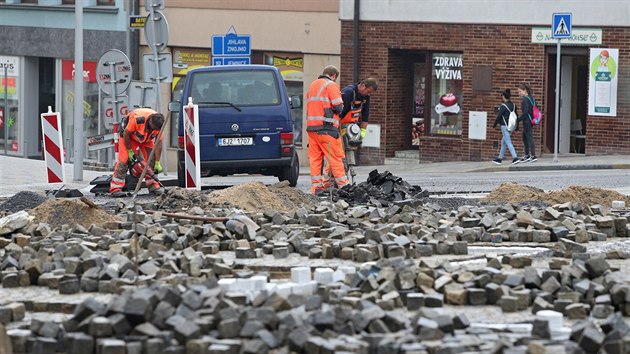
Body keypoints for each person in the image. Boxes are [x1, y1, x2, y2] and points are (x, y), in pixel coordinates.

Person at [322, 78, 378, 183]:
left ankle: (342, 179)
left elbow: (365, 115)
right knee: (338, 154)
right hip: (339, 125)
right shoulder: (348, 93)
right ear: (363, 86)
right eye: (368, 91)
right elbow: (339, 112)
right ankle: (330, 181)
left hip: (351, 126)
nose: (368, 94)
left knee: (349, 150)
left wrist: (362, 132)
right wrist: (334, 129)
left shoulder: (365, 97)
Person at [305, 65, 349, 195]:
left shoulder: (313, 85)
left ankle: (317, 188)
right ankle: (344, 186)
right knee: (336, 157)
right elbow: (338, 107)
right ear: (334, 76)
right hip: (327, 129)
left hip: (312, 129)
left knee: (315, 159)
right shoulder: (331, 85)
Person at [110, 108, 165, 197]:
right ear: (150, 122)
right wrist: (130, 151)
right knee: (123, 160)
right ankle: (115, 188)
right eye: (152, 128)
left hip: (146, 139)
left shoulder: (160, 125)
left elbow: (158, 143)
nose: (152, 130)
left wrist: (157, 162)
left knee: (152, 159)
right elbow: (126, 133)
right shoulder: (138, 119)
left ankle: (153, 186)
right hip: (128, 137)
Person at [492, 89, 520, 165]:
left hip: (504, 126)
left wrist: (494, 125)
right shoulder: (513, 105)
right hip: (511, 126)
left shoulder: (503, 106)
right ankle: (499, 158)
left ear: (504, 96)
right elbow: (516, 117)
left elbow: (499, 117)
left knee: (508, 142)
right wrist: (517, 128)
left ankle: (515, 158)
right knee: (503, 142)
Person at [517, 83, 537, 163]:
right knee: (525, 137)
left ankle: (533, 155)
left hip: (527, 121)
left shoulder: (525, 99)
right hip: (531, 120)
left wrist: (518, 120)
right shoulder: (532, 98)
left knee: (529, 138)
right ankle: (527, 155)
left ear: (524, 90)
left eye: (520, 91)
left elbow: (525, 112)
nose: (519, 93)